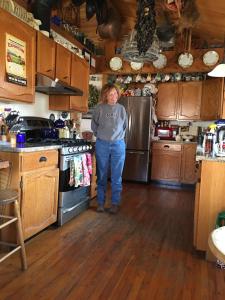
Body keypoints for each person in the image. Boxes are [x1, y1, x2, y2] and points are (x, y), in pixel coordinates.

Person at [91, 83, 127, 214]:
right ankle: (100, 203)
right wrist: (102, 136)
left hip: (118, 145)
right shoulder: (99, 108)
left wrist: (116, 137)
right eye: (111, 94)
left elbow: (124, 126)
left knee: (117, 177)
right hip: (102, 145)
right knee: (101, 175)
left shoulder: (121, 109)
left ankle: (115, 203)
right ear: (105, 95)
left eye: (115, 94)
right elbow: (94, 126)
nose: (114, 96)